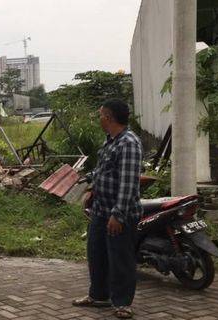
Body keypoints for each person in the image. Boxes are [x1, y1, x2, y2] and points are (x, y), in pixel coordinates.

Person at [72, 99, 143, 319]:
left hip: (118, 214)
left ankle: (122, 303)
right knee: (97, 255)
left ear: (109, 118)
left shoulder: (128, 143)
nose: (99, 119)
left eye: (101, 115)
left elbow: (128, 183)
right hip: (100, 212)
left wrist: (118, 214)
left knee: (120, 259)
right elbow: (103, 171)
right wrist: (83, 179)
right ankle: (99, 296)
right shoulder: (110, 141)